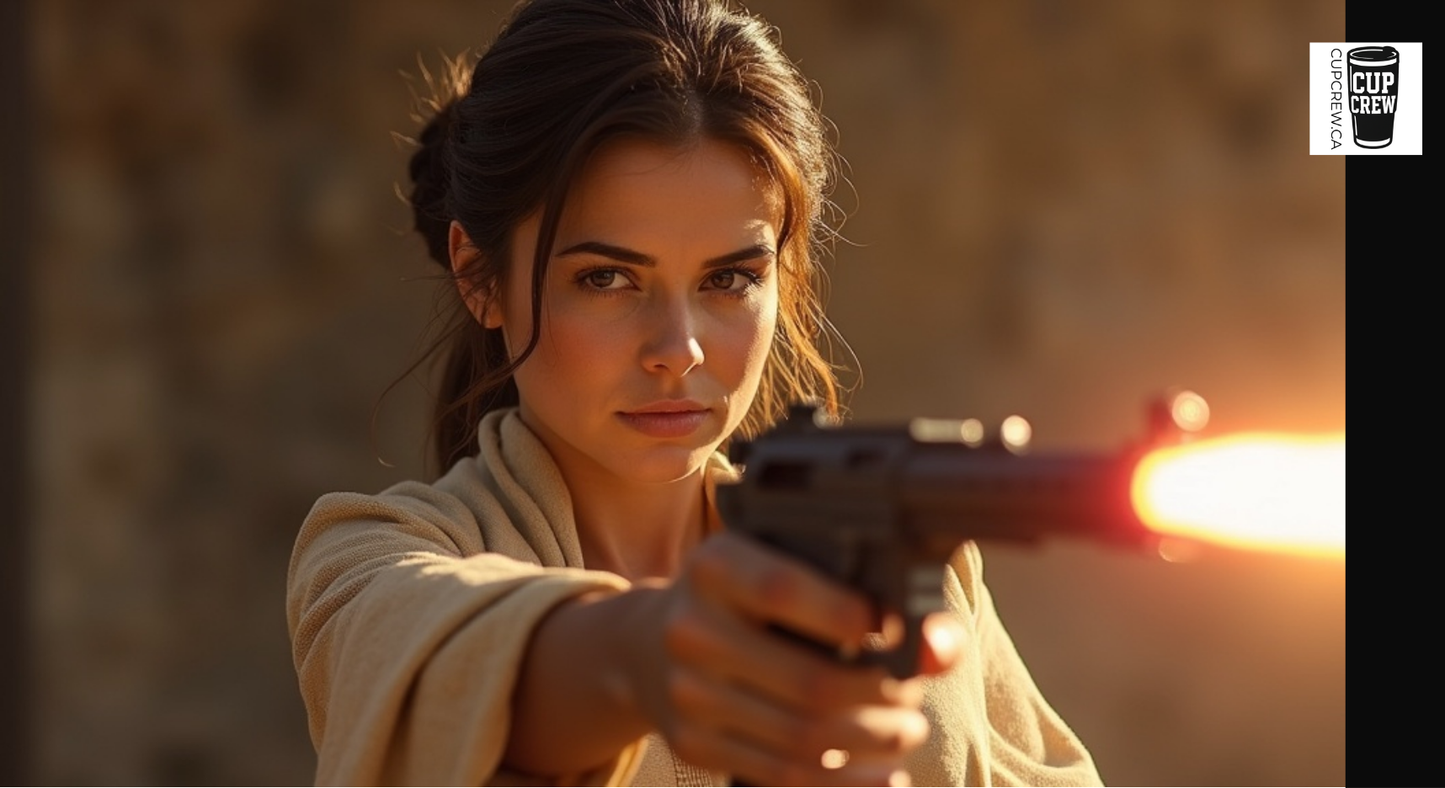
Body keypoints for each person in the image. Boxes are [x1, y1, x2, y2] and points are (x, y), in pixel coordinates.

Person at [286, 0, 1103, 785]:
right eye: (605, 279)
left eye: (730, 278)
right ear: (479, 277)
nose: (677, 350)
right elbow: (462, 665)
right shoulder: (367, 564)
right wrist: (658, 654)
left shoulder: (914, 569)